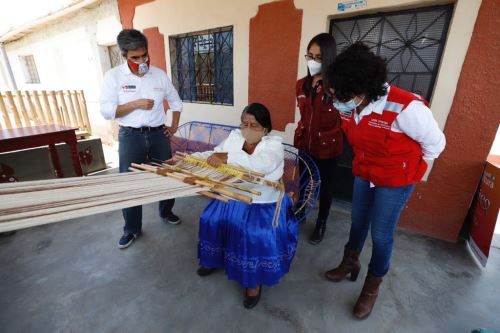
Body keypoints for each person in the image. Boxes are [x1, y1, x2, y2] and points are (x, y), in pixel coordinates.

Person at [323, 42, 446, 319]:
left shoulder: (407, 108)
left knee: (380, 234)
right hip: (365, 171)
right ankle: (349, 263)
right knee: (357, 222)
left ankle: (371, 286)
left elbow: (436, 145)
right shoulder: (351, 104)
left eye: (337, 95)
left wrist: (408, 170)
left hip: (395, 179)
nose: (334, 100)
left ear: (360, 90)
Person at [191, 103, 298, 309]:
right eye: (244, 123)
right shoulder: (234, 138)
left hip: (262, 202)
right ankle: (213, 259)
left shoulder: (273, 146)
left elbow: (262, 166)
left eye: (254, 125)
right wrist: (188, 160)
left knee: (252, 233)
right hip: (234, 194)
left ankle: (253, 282)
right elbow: (214, 155)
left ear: (265, 128)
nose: (248, 128)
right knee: (210, 219)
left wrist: (228, 158)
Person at [100, 29, 183, 249]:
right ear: (124, 56)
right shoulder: (113, 77)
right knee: (130, 184)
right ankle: (132, 229)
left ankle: (166, 212)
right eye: (135, 57)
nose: (142, 61)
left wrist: (173, 127)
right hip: (130, 136)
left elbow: (176, 102)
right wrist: (134, 104)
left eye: (144, 55)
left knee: (166, 176)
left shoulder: (159, 75)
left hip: (158, 135)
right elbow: (107, 111)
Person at [294, 33, 343, 245]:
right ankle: (302, 211)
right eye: (310, 56)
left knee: (326, 186)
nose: (313, 61)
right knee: (304, 181)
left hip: (328, 146)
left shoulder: (339, 87)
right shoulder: (301, 85)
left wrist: (331, 88)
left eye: (319, 57)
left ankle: (321, 222)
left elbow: (347, 118)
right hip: (305, 142)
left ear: (329, 58)